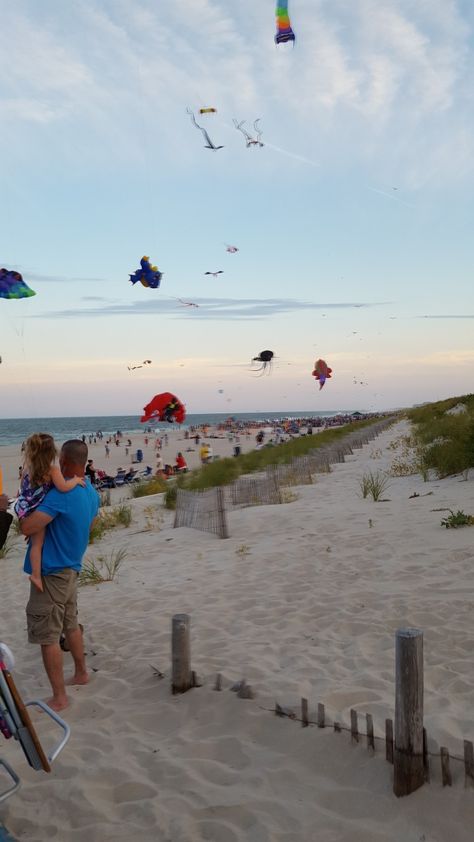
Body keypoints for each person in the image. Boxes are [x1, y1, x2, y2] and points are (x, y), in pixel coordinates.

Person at [20, 440, 100, 712]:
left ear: (65, 461)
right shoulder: (89, 489)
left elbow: (28, 526)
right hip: (72, 568)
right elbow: (90, 524)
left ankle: (59, 697)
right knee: (71, 623)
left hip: (53, 573)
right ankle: (81, 672)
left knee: (48, 636)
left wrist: (23, 520)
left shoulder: (59, 495)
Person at [15, 434, 85, 593]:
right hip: (38, 508)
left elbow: (23, 491)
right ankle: (36, 575)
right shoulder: (52, 470)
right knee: (38, 544)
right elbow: (63, 488)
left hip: (25, 508)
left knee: (35, 541)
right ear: (52, 453)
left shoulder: (27, 470)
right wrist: (74, 480)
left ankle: (35, 573)